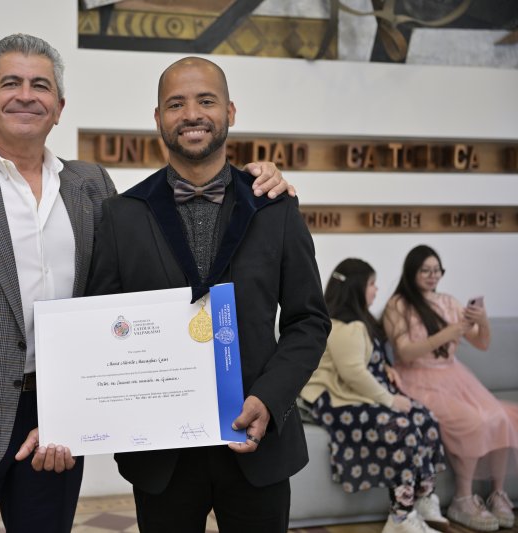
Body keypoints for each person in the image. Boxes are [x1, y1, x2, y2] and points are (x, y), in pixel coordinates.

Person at [0, 34, 291, 532]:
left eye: (41, 86)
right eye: (11, 83)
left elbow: (118, 293)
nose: (26, 96)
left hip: (61, 413)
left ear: (59, 107)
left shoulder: (90, 185)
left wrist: (257, 178)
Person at [85, 56, 330, 532]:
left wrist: (269, 398)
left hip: (258, 444)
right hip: (161, 455)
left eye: (206, 101)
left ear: (230, 112)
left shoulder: (275, 207)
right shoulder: (121, 214)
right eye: (176, 104)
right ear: (158, 118)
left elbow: (309, 320)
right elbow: (102, 325)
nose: (192, 114)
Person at [301, 258, 447, 533]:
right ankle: (400, 517)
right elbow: (353, 372)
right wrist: (390, 400)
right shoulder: (342, 325)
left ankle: (424, 495)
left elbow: (365, 358)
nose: (376, 290)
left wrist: (387, 368)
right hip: (334, 399)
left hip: (354, 394)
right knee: (402, 426)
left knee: (425, 417)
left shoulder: (362, 320)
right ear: (356, 288)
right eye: (371, 284)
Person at [383, 244, 518, 532]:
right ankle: (463, 498)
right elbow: (404, 352)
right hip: (416, 378)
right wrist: (447, 333)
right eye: (426, 270)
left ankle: (497, 493)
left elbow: (482, 343)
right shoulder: (398, 305)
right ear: (412, 271)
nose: (433, 276)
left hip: (455, 376)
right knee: (473, 421)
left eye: (437, 270)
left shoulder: (449, 302)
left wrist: (482, 320)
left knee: (500, 416)